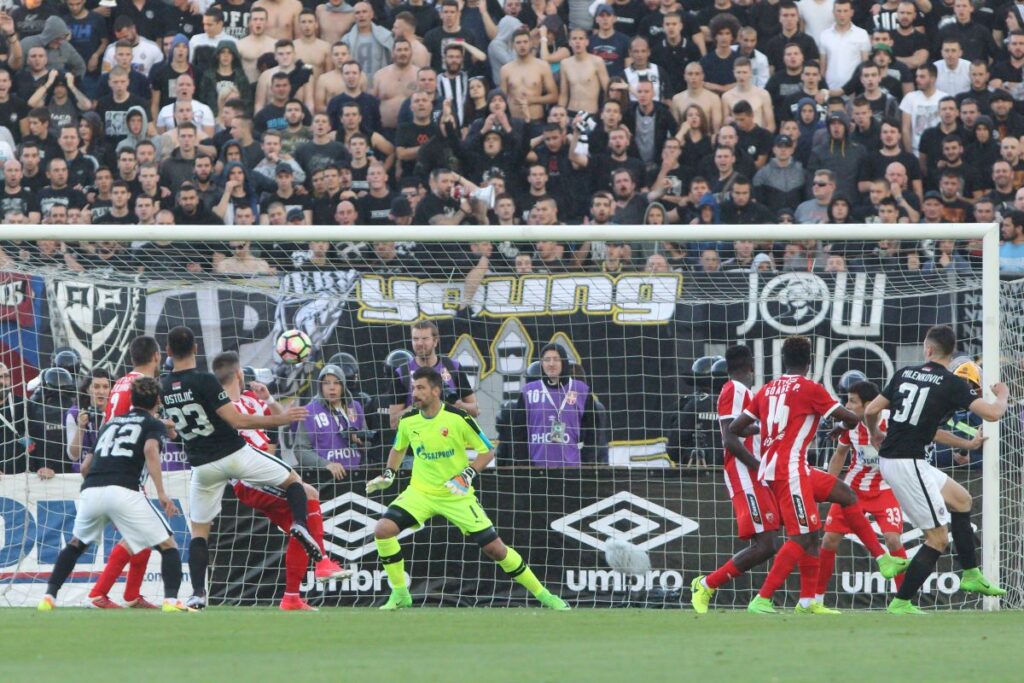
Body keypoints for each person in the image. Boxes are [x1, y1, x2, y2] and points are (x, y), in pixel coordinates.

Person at [729, 335, 910, 614]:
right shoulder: (810, 389)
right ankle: (762, 598)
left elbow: (737, 428)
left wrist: (766, 429)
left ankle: (813, 598)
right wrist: (838, 421)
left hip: (788, 469)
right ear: (810, 362)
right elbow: (849, 420)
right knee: (804, 537)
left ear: (783, 361)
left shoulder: (767, 389)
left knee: (842, 498)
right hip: (789, 470)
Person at [366, 366, 569, 611]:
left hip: (456, 496)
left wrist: (467, 475)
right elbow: (398, 449)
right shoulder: (409, 420)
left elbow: (487, 451)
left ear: (436, 390)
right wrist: (388, 475)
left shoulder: (458, 418)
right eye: (413, 388)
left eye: (420, 388)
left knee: (496, 549)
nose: (414, 394)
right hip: (420, 492)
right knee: (383, 529)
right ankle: (400, 594)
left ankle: (545, 596)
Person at [159, 325, 312, 609]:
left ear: (168, 352)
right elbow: (238, 421)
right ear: (195, 349)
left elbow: (179, 426)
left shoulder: (165, 386)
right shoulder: (204, 380)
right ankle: (300, 526)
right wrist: (280, 419)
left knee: (199, 533)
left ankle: (198, 594)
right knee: (293, 482)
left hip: (202, 467)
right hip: (233, 454)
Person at [866, 325, 1009, 614]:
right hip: (907, 463)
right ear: (951, 353)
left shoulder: (904, 373)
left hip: (900, 458)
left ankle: (970, 574)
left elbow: (871, 411)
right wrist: (1003, 393)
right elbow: (994, 413)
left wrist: (874, 434)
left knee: (962, 500)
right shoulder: (951, 383)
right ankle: (901, 602)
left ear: (927, 349)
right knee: (938, 539)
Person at [37, 377, 191, 613]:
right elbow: (150, 449)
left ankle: (49, 596)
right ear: (158, 400)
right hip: (124, 490)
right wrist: (161, 493)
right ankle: (171, 601)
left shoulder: (109, 424)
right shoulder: (154, 424)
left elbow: (86, 466)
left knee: (76, 545)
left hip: (91, 490)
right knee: (168, 545)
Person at [212, 352, 351, 611]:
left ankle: (291, 597)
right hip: (248, 477)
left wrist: (269, 399)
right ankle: (322, 562)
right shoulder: (221, 407)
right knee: (307, 492)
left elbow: (282, 418)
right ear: (238, 374)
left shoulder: (252, 399)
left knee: (301, 528)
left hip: (265, 470)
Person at [690, 345, 780, 614]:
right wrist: (758, 467)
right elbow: (729, 438)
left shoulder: (743, 392)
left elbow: (741, 430)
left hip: (754, 475)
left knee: (772, 542)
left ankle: (792, 598)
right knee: (766, 544)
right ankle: (707, 584)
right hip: (745, 475)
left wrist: (765, 428)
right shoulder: (733, 390)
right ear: (751, 367)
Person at [815, 380, 909, 606]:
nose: (846, 405)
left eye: (852, 401)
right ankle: (815, 600)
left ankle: (904, 600)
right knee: (829, 540)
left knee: (893, 540)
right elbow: (839, 455)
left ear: (869, 405)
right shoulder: (849, 426)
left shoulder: (892, 422)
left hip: (885, 490)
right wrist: (829, 487)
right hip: (852, 491)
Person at [503, 344, 603, 466]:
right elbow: (518, 433)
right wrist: (525, 465)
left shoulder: (581, 390)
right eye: (547, 359)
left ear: (564, 362)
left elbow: (594, 430)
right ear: (542, 364)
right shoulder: (528, 391)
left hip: (572, 469)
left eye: (556, 359)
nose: (551, 364)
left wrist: (586, 461)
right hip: (536, 470)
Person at [388, 319, 478, 428]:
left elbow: (476, 410)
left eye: (425, 339)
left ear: (435, 341)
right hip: (418, 440)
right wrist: (418, 407)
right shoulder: (402, 373)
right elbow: (393, 423)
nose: (420, 343)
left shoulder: (452, 367)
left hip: (449, 439)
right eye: (415, 339)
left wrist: (457, 405)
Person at [295, 363, 368, 475]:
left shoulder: (355, 407)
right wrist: (325, 464)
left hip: (356, 475)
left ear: (343, 386)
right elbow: (300, 451)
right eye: (326, 383)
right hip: (324, 478)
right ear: (320, 386)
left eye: (336, 383)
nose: (332, 387)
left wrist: (361, 440)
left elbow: (369, 444)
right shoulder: (309, 411)